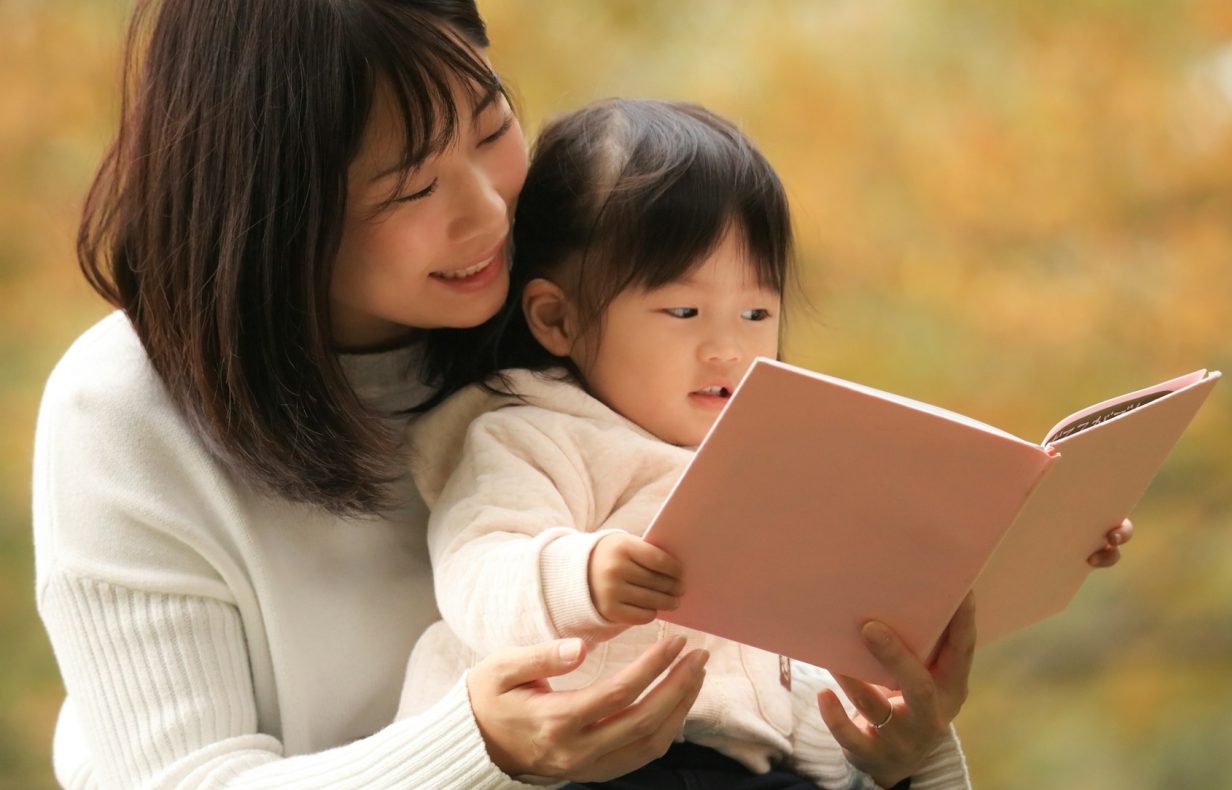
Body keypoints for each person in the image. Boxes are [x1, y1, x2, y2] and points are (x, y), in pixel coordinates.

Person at [36, 1, 1127, 787]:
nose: (484, 212)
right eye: (411, 187)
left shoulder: (578, 312)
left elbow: (768, 630)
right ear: (271, 210)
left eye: (489, 128)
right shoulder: (124, 409)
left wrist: (905, 747)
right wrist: (481, 748)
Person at [396, 98, 1132, 790]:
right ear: (556, 319)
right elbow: (475, 564)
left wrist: (1039, 538)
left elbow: (803, 657)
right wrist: (577, 576)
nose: (727, 349)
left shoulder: (777, 457)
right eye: (684, 310)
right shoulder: (533, 430)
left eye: (756, 312)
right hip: (599, 762)